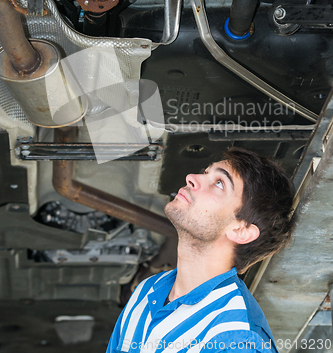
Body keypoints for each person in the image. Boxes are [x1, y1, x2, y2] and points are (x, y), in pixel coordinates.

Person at [106, 147, 294, 353]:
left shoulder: (237, 339)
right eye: (206, 173)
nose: (191, 178)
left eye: (219, 183)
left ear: (241, 231)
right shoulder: (147, 290)